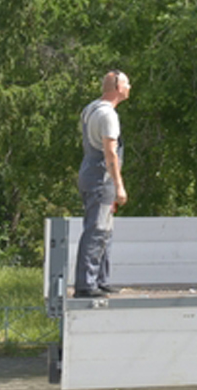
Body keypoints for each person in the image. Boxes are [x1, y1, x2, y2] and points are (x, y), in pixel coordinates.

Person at [73, 70, 131, 299]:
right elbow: (110, 153)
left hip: (89, 173)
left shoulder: (90, 108)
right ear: (117, 87)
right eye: (127, 84)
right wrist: (119, 186)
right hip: (101, 178)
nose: (130, 87)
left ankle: (101, 280)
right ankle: (86, 285)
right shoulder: (108, 115)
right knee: (97, 230)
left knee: (105, 230)